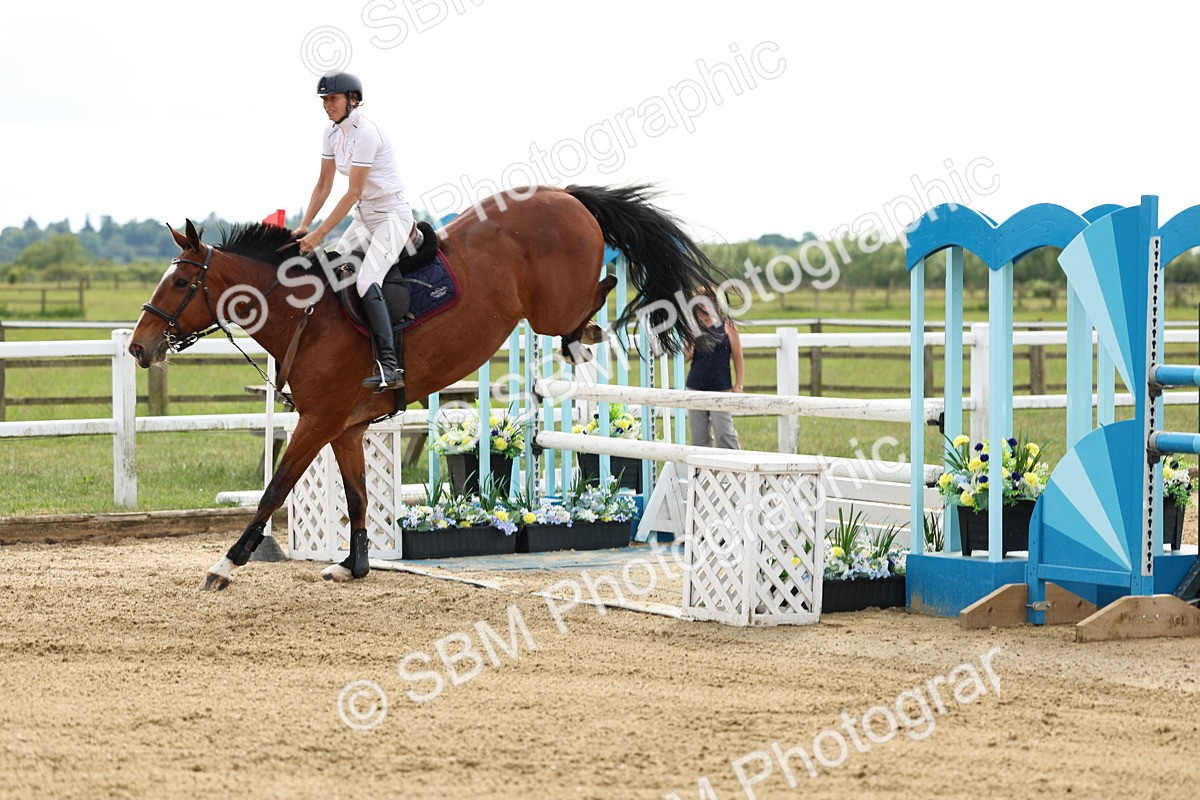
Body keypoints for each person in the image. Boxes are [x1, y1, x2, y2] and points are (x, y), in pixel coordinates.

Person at [295, 72, 415, 392]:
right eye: (324, 100)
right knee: (334, 270)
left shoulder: (366, 134)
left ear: (352, 99)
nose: (327, 105)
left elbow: (352, 193)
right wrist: (305, 224)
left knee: (365, 281)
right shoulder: (331, 134)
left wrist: (319, 235)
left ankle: (391, 365)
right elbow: (324, 184)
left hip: (391, 218)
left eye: (332, 99)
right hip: (364, 219)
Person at [684, 293, 744, 448]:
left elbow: (738, 357)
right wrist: (690, 340)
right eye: (700, 305)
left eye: (706, 304)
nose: (703, 309)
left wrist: (739, 384)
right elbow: (685, 358)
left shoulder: (727, 326)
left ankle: (736, 469)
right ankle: (703, 472)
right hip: (695, 387)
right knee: (699, 439)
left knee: (725, 434)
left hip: (721, 387)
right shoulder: (693, 327)